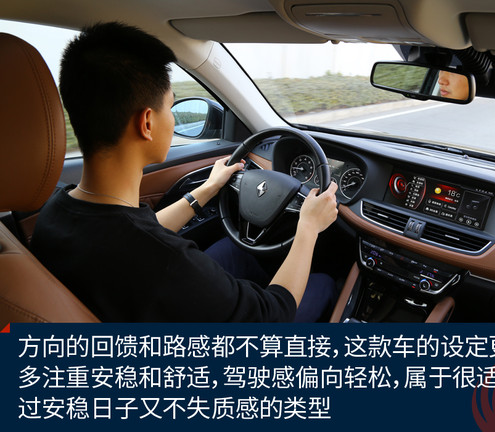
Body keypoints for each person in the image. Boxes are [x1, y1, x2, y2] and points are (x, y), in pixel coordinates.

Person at [31, 22, 339, 322]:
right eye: (170, 107)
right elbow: (273, 314)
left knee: (238, 252)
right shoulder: (162, 260)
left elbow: (137, 231)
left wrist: (206, 189)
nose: (173, 119)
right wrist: (308, 227)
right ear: (147, 123)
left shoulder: (55, 210)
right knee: (325, 283)